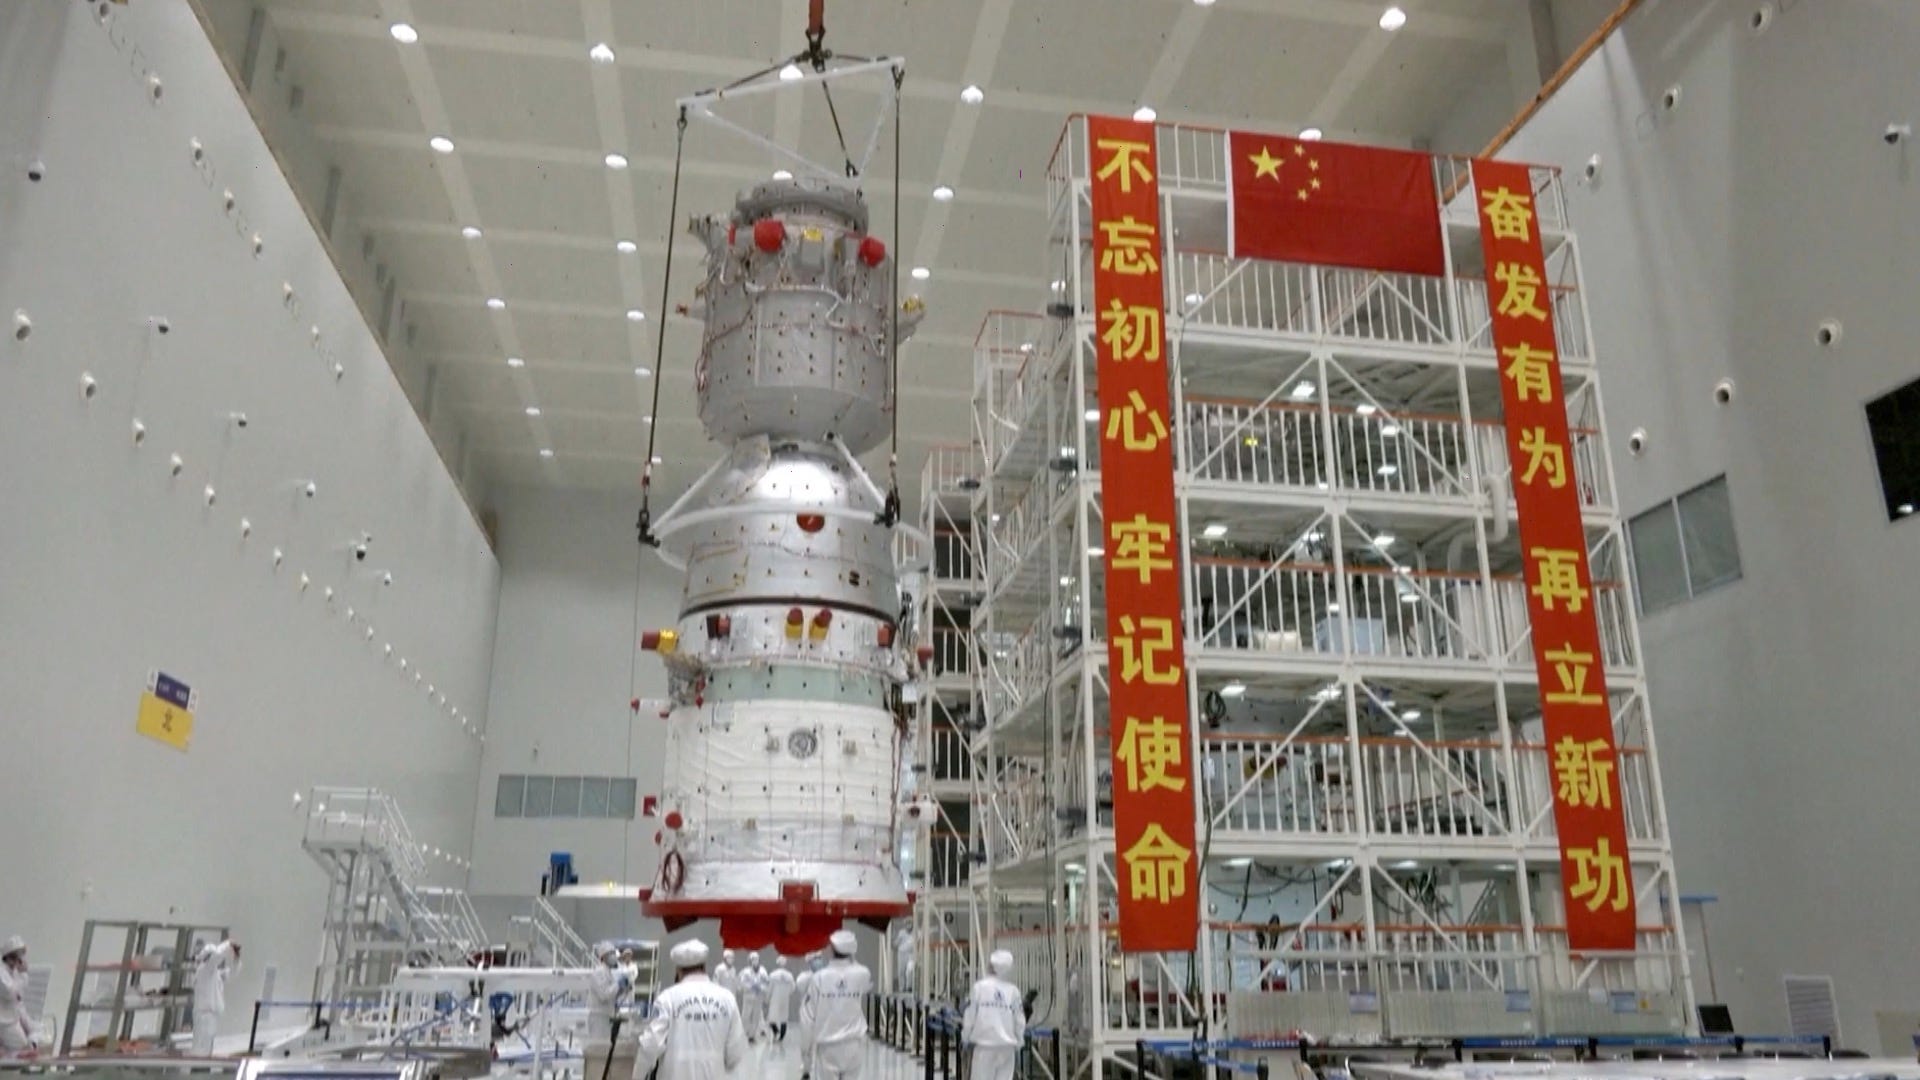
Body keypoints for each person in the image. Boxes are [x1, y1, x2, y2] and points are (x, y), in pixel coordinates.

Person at [634, 940, 746, 1080]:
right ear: (704, 967)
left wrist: (638, 1075)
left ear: (678, 970)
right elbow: (735, 1052)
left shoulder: (668, 998)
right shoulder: (727, 998)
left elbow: (650, 1045)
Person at [800, 930, 871, 1080]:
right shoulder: (863, 973)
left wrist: (806, 1055)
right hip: (854, 1045)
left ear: (831, 949)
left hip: (828, 1047)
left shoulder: (819, 978)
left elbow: (807, 1019)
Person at [962, 951, 1025, 1080]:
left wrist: (965, 1037)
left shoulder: (979, 988)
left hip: (985, 1048)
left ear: (990, 966)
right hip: (1007, 1049)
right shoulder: (1013, 991)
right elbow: (1019, 1020)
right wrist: (1019, 1041)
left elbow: (969, 1016)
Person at [586, 942, 634, 1080]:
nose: (614, 957)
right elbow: (604, 995)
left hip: (607, 1017)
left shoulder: (607, 972)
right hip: (598, 1018)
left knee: (606, 1052)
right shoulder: (598, 972)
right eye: (611, 954)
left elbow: (611, 996)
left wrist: (623, 989)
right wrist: (617, 985)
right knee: (598, 1053)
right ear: (603, 957)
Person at [189, 938, 241, 1057]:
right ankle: (198, 1071)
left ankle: (200, 1069)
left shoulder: (213, 974)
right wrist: (229, 944)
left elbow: (231, 973)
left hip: (210, 1017)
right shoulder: (205, 971)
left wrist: (236, 958)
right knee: (201, 1051)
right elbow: (217, 956)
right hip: (205, 1017)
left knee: (205, 1051)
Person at [0, 937, 36, 1059]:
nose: (20, 960)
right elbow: (11, 993)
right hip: (4, 1021)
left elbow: (19, 999)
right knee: (20, 1051)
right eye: (16, 956)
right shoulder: (2, 973)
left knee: (23, 1049)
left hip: (10, 1020)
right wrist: (23, 975)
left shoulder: (14, 973)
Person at [739, 952, 768, 1043]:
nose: (755, 961)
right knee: (745, 1016)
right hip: (748, 996)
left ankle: (752, 1035)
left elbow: (767, 982)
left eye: (756, 959)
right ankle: (743, 1033)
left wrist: (761, 988)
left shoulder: (763, 971)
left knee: (756, 1016)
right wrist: (751, 986)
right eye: (753, 959)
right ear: (750, 961)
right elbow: (742, 983)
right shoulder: (746, 971)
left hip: (759, 997)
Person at [766, 956, 795, 1042]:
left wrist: (767, 999)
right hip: (785, 999)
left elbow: (769, 988)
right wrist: (787, 994)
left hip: (775, 999)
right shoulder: (789, 975)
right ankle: (781, 1036)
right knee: (784, 1018)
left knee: (771, 1017)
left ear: (777, 963)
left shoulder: (773, 975)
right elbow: (793, 987)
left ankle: (776, 1032)